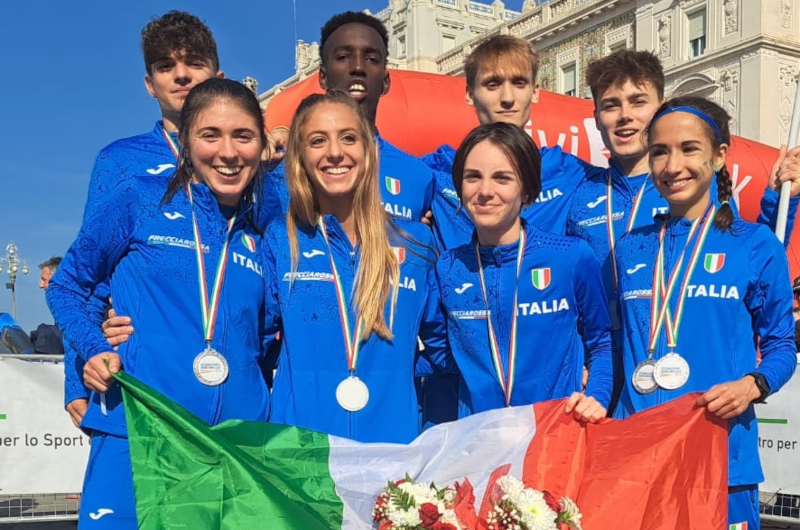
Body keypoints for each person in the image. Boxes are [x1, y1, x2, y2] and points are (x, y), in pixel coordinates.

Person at [47, 78, 271, 529]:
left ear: (262, 146)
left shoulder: (264, 228)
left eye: (243, 136)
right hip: (138, 431)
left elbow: (264, 335)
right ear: (185, 141)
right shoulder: (139, 198)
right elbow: (68, 285)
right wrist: (95, 349)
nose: (227, 152)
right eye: (210, 135)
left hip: (232, 446)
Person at [614, 96, 797, 530]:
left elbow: (781, 347)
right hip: (638, 458)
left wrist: (752, 385)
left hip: (721, 457)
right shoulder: (629, 247)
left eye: (689, 148)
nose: (672, 165)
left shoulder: (753, 243)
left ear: (718, 156)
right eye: (659, 151)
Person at [62, 10, 225, 430]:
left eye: (194, 63)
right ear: (150, 85)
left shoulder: (246, 163)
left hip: (227, 381)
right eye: (166, 66)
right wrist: (75, 380)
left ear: (218, 75)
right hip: (143, 373)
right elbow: (85, 277)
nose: (182, 75)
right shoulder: (120, 161)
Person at [263, 90, 452, 443]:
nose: (335, 152)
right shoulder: (281, 238)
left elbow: (445, 350)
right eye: (317, 141)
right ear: (300, 156)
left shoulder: (415, 243)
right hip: (299, 455)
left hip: (391, 454)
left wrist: (394, 374)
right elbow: (250, 344)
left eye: (348, 138)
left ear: (370, 150)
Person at [436, 122, 612, 420]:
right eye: (472, 177)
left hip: (555, 436)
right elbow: (441, 351)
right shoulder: (448, 268)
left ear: (527, 191)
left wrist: (597, 395)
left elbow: (601, 343)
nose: (485, 191)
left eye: (502, 178)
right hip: (480, 443)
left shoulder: (570, 257)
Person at [262, 11, 435, 226]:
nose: (358, 68)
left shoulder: (419, 177)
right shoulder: (283, 170)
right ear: (323, 77)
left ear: (386, 81)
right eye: (343, 57)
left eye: (371, 59)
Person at [422, 34, 589, 250]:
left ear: (535, 92)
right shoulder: (433, 171)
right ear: (470, 93)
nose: (508, 98)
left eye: (519, 83)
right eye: (493, 84)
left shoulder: (571, 172)